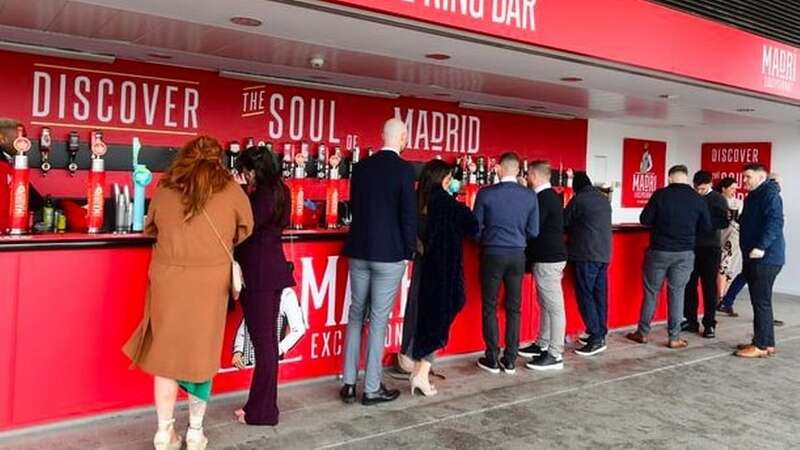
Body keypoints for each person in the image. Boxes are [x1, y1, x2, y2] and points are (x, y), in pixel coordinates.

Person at [123, 136, 253, 450]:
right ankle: (195, 432)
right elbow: (246, 227)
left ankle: (163, 433)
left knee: (165, 358)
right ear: (218, 159)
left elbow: (150, 228)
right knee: (201, 355)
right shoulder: (231, 190)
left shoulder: (166, 189)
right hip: (210, 283)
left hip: (168, 280)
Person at [340, 118, 416, 405]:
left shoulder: (361, 168)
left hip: (360, 250)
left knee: (356, 314)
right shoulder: (404, 170)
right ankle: (371, 388)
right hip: (390, 254)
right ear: (403, 138)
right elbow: (408, 215)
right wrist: (408, 251)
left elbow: (356, 207)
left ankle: (348, 383)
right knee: (379, 321)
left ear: (382, 135)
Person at [230, 145, 296, 425]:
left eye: (245, 171)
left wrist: (235, 191)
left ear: (254, 170)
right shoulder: (282, 190)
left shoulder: (261, 197)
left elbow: (243, 229)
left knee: (265, 344)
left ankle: (263, 411)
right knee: (266, 342)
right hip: (271, 271)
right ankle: (259, 405)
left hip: (258, 274)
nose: (243, 176)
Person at [400, 159, 478, 396]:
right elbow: (473, 226)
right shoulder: (448, 204)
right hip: (445, 271)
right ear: (445, 179)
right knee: (439, 320)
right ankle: (422, 372)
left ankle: (413, 365)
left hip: (423, 268)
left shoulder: (416, 200)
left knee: (420, 316)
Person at [626, 165, 711, 349]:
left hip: (659, 251)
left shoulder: (660, 195)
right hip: (684, 253)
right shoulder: (697, 199)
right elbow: (706, 227)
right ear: (686, 178)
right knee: (677, 294)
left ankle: (642, 333)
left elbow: (645, 220)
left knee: (651, 293)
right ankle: (674, 338)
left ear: (670, 178)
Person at [473, 152, 539, 375]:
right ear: (518, 170)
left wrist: (487, 239)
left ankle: (492, 357)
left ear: (500, 168)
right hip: (518, 255)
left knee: (489, 305)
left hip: (492, 253)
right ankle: (510, 359)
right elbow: (534, 231)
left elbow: (475, 228)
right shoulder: (530, 196)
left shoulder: (486, 194)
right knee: (514, 308)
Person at [520, 161, 568, 371]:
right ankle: (543, 343)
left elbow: (533, 228)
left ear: (533, 175)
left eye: (529, 175)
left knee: (554, 307)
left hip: (549, 259)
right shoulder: (551, 197)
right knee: (547, 304)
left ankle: (555, 354)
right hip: (549, 257)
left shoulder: (542, 199)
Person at [735, 164, 785, 358]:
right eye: (744, 177)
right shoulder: (755, 195)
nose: (744, 180)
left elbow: (775, 222)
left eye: (748, 177)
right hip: (756, 257)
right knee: (762, 301)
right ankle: (767, 342)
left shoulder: (769, 195)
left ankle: (760, 346)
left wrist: (761, 247)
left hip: (765, 258)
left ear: (762, 176)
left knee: (760, 302)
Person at [562, 172, 612, 356]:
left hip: (586, 254)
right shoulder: (603, 199)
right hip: (603, 255)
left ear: (576, 187)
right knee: (600, 295)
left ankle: (596, 338)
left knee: (586, 296)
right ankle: (599, 332)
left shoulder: (579, 200)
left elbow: (563, 221)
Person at [682, 171, 729, 338]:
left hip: (710, 248)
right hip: (691, 247)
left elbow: (724, 221)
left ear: (710, 184)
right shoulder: (691, 197)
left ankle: (709, 324)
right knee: (689, 285)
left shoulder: (718, 199)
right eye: (696, 188)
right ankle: (691, 321)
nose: (699, 192)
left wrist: (705, 222)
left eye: (702, 189)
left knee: (709, 286)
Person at [231, 274, 306, 369]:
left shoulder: (286, 294)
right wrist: (237, 351)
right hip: (245, 363)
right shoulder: (255, 289)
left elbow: (298, 329)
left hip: (269, 363)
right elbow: (246, 323)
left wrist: (277, 350)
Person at [0, 118, 43, 232]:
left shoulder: (11, 163)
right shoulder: (4, 165)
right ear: (2, 139)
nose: (24, 142)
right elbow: (34, 201)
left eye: (24, 137)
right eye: (18, 138)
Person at [716, 177, 743, 316]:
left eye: (735, 188)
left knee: (731, 269)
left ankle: (724, 298)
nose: (734, 191)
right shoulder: (717, 201)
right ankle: (719, 299)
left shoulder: (738, 203)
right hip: (722, 239)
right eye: (731, 188)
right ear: (723, 188)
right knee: (723, 267)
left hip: (736, 239)